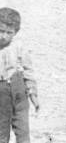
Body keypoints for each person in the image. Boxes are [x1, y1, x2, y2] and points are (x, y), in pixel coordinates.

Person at [0, 8, 39, 143]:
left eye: (8, 32)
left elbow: (28, 71)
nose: (3, 36)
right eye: (1, 31)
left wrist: (33, 94)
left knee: (23, 132)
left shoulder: (19, 47)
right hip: (1, 95)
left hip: (19, 94)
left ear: (15, 32)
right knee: (1, 133)